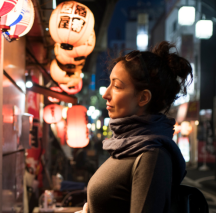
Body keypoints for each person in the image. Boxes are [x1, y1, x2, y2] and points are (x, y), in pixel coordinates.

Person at [82, 41, 193, 213]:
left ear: (143, 98)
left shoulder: (151, 156)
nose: (106, 94)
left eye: (117, 86)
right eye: (109, 83)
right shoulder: (125, 146)